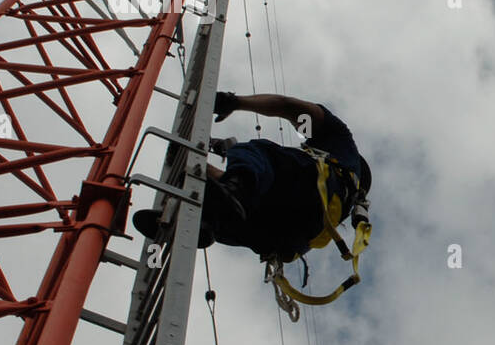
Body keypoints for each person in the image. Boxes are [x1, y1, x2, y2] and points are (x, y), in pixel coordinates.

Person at [134, 93, 370, 264]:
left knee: (258, 151)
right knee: (233, 204)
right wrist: (195, 163)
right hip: (282, 238)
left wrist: (235, 102)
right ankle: (199, 222)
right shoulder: (340, 205)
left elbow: (287, 106)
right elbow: (232, 187)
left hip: (305, 195)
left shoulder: (340, 146)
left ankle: (202, 219)